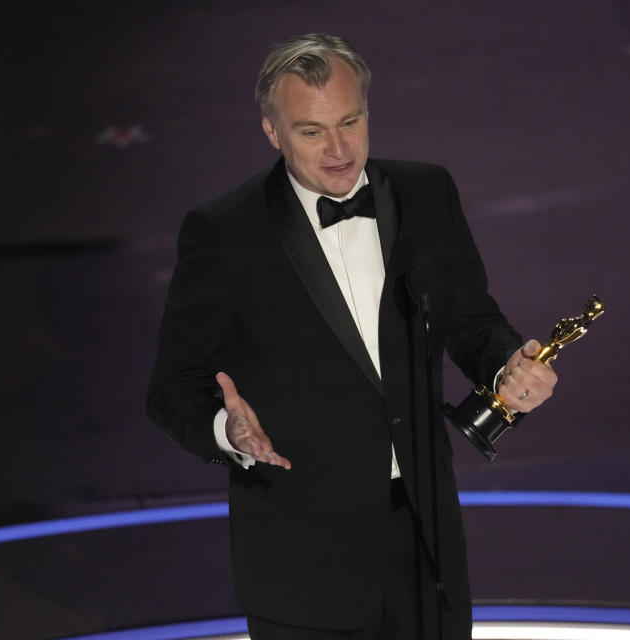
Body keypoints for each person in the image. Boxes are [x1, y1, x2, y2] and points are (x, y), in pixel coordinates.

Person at [146, 33, 558, 640]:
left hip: (426, 546)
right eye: (311, 131)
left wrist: (507, 368)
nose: (339, 149)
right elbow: (172, 387)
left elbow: (471, 322)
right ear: (272, 131)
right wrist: (225, 430)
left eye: (350, 121)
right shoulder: (224, 232)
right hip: (303, 554)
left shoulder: (426, 192)